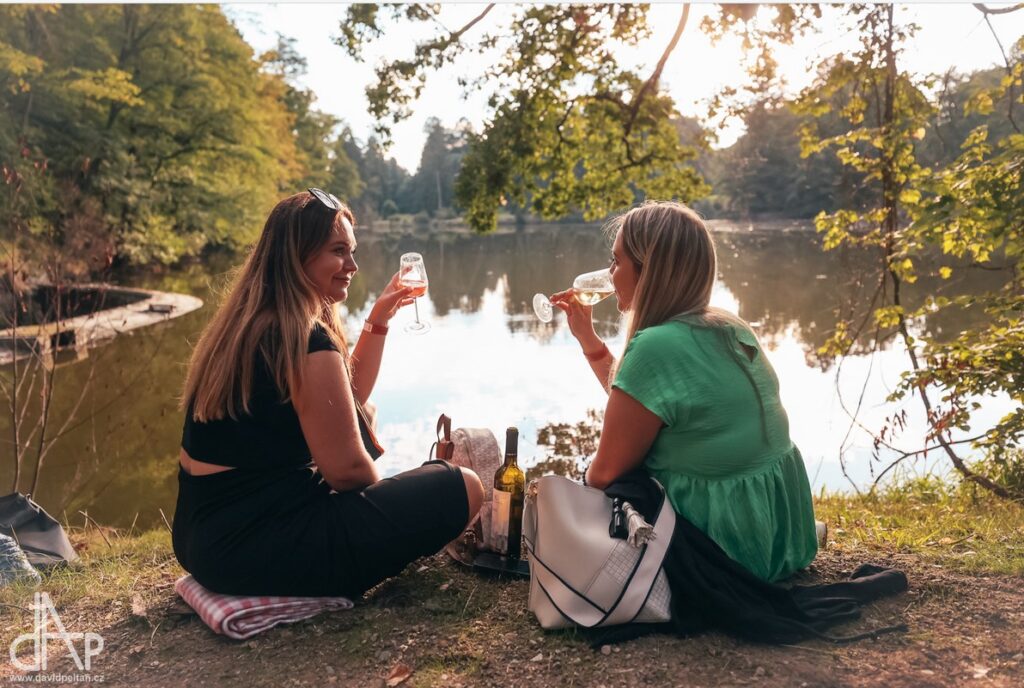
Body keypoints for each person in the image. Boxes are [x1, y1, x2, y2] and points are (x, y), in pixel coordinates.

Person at [172, 189, 484, 597]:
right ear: (297, 256)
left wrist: (378, 319)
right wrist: (387, 503)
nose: (353, 265)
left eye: (353, 251)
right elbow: (350, 473)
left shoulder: (250, 325)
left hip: (203, 542)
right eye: (338, 251)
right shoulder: (303, 338)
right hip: (254, 549)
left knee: (367, 413)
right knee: (461, 486)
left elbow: (344, 397)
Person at [550, 201, 817, 582]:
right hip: (779, 532)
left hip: (723, 550)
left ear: (651, 272)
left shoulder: (655, 346)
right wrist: (589, 341)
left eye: (616, 262)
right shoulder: (728, 326)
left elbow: (605, 475)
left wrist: (579, 491)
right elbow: (645, 407)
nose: (610, 276)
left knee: (602, 487)